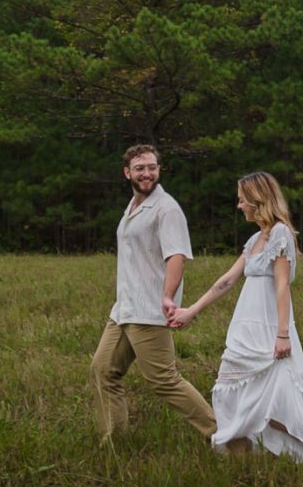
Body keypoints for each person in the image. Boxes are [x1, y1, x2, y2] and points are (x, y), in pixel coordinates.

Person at [169, 171, 303, 464]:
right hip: (246, 327)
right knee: (232, 391)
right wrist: (191, 311)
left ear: (258, 200)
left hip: (270, 329)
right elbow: (227, 281)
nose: (239, 205)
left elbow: (282, 285)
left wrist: (282, 335)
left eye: (242, 199)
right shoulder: (256, 238)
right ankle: (245, 452)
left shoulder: (280, 233)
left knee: (282, 403)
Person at [89, 144, 216, 441]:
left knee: (164, 380)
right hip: (124, 310)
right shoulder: (133, 207)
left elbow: (176, 256)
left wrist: (168, 297)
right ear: (127, 173)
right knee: (103, 370)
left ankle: (222, 436)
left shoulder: (166, 208)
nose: (146, 173)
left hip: (148, 310)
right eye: (140, 168)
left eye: (151, 168)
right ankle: (114, 441)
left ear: (159, 170)